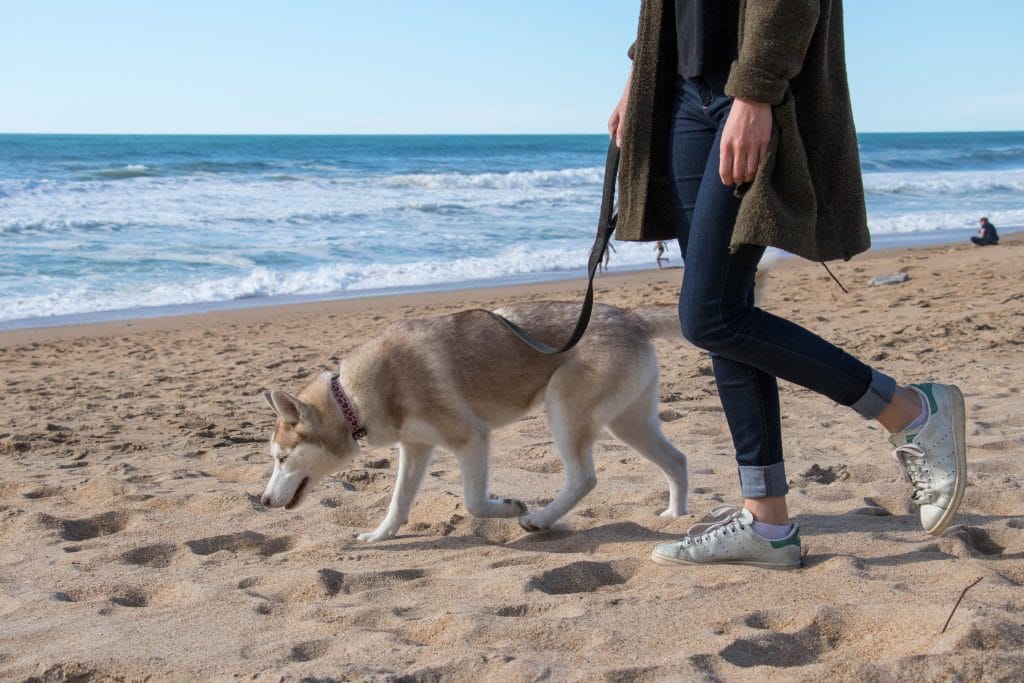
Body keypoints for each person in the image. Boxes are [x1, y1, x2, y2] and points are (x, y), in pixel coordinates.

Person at [607, 0, 967, 569]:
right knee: (726, 309)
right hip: (679, 91)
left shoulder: (755, 91)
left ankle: (907, 410)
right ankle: (768, 522)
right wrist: (638, 73)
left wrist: (755, 92)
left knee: (709, 317)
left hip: (748, 92)